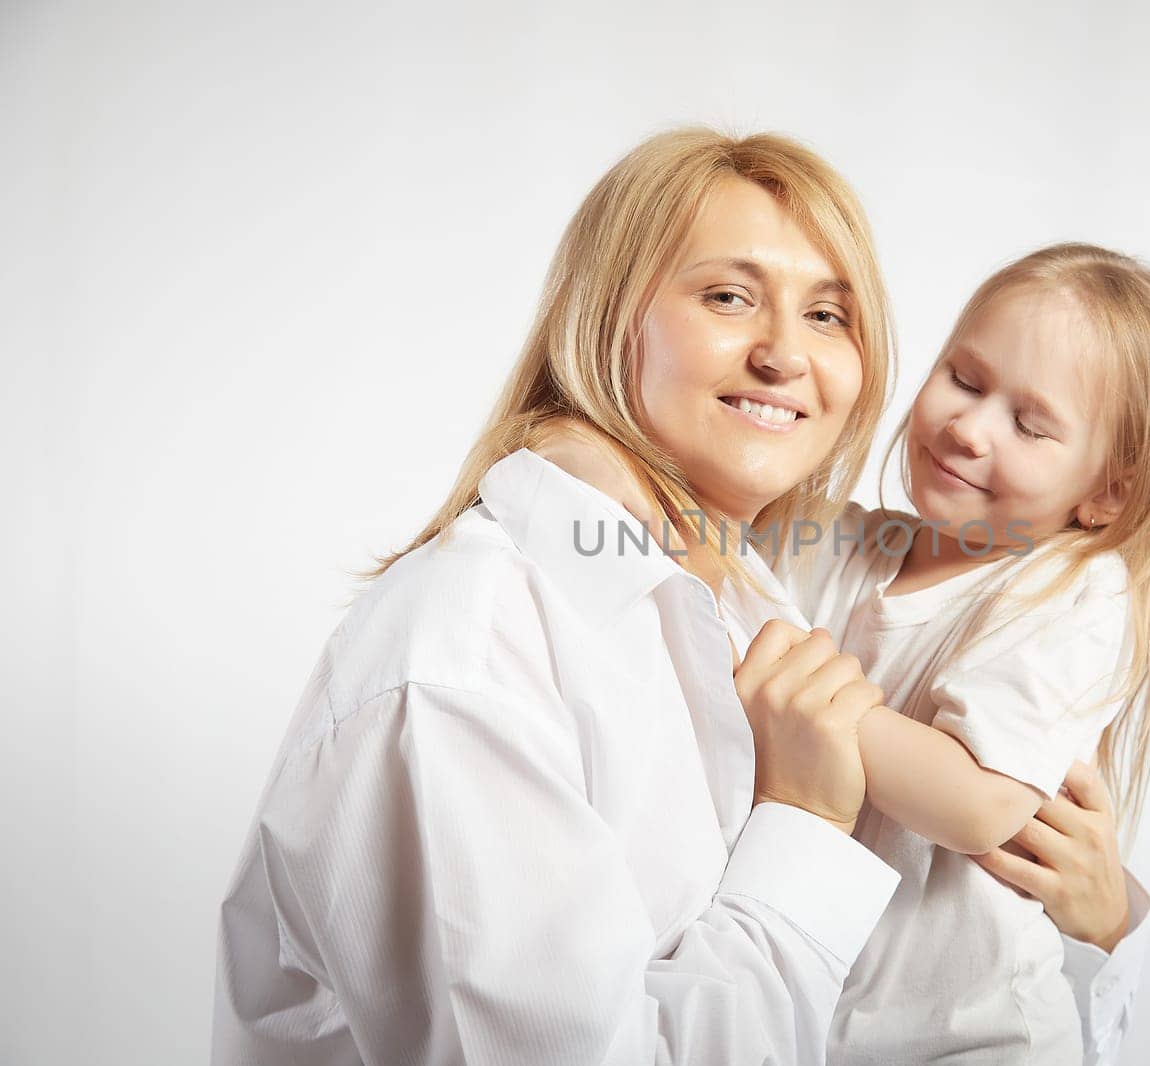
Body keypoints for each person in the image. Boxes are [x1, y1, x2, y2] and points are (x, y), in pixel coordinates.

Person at [210, 128, 904, 1065]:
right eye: (729, 297)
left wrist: (1101, 921)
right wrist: (807, 830)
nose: (787, 354)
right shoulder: (472, 644)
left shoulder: (745, 602)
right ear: (613, 322)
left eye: (830, 316)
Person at [539, 243, 1150, 1064]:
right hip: (818, 1019)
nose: (968, 427)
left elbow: (981, 805)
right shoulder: (842, 540)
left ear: (1109, 491)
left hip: (971, 1041)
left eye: (1030, 424)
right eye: (964, 379)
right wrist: (580, 454)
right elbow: (684, 523)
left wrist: (805, 691)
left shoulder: (1078, 589)